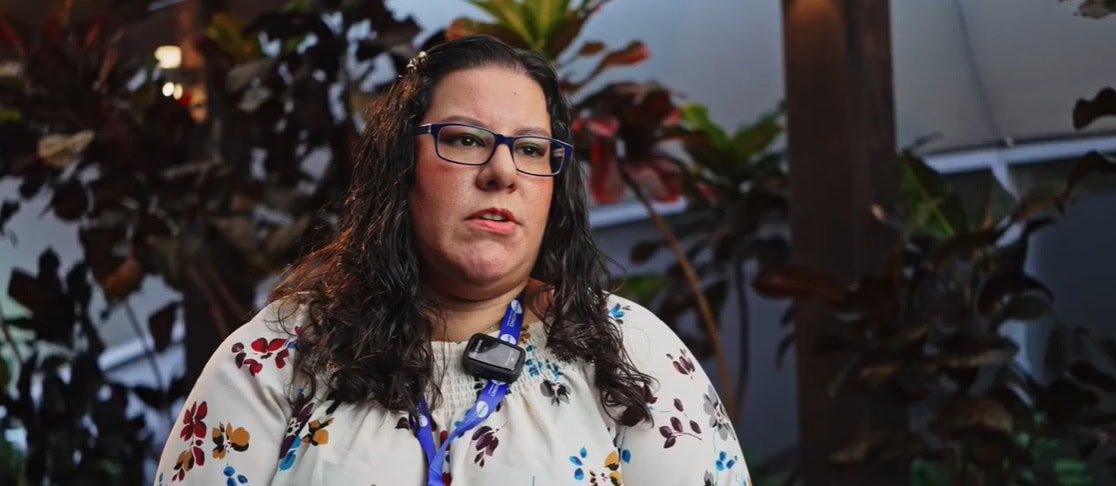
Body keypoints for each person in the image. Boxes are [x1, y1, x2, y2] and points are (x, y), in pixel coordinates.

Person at [152, 34, 750, 486]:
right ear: (401, 166)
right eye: (465, 139)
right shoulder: (277, 357)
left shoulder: (631, 354)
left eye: (531, 149)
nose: (503, 171)